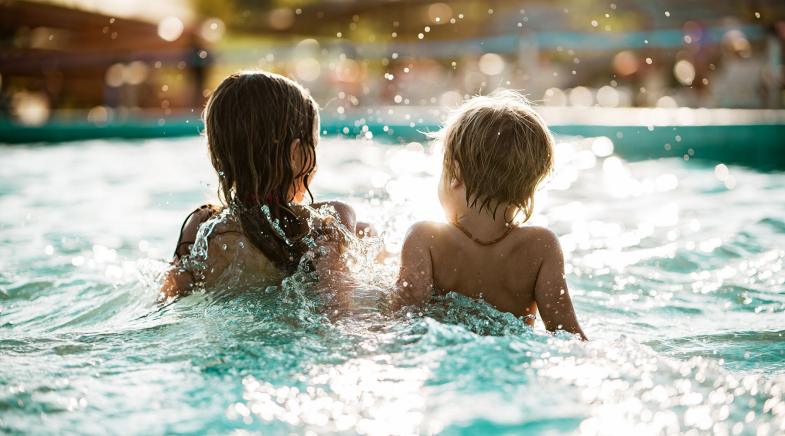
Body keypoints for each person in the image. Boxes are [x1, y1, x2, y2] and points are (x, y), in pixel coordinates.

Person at [394, 91, 586, 339]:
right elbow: (567, 334)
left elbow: (402, 321)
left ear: (455, 175)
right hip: (513, 361)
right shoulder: (541, 246)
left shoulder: (426, 238)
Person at [161, 71, 359, 298]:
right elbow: (337, 306)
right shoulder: (329, 219)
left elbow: (168, 299)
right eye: (314, 146)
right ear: (296, 154)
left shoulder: (201, 225)